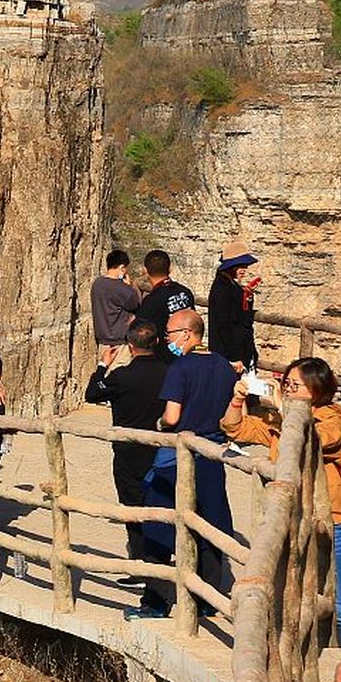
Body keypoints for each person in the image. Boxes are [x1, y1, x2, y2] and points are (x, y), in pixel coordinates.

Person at [221, 356, 341, 644]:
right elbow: (235, 429)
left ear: (317, 389)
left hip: (330, 518)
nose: (289, 389)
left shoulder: (332, 417)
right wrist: (236, 400)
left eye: (295, 385)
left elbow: (320, 439)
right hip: (291, 518)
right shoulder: (277, 420)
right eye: (286, 383)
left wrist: (283, 406)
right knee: (290, 592)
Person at [139, 310, 239, 613]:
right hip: (213, 452)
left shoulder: (180, 368)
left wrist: (158, 423)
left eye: (169, 333)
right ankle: (207, 598)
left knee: (158, 523)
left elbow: (172, 417)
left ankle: (156, 601)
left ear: (186, 333)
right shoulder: (223, 366)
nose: (167, 339)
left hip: (178, 455)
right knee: (210, 520)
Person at [86, 320, 172, 612]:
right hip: (162, 451)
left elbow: (92, 393)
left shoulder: (122, 376)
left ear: (131, 346)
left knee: (133, 510)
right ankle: (155, 563)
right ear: (158, 342)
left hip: (128, 453)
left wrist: (102, 365)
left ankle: (141, 565)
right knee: (161, 509)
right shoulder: (169, 373)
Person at [207, 241, 260, 371]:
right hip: (229, 355)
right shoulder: (222, 287)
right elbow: (223, 325)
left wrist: (247, 297)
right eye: (240, 266)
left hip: (238, 350)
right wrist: (235, 357)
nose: (244, 270)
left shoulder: (231, 285)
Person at [133, 249, 195, 342]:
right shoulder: (185, 292)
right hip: (188, 347)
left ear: (145, 270)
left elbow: (140, 333)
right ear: (170, 269)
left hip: (164, 353)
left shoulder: (151, 301)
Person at [92, 250, 142, 349]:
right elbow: (135, 304)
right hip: (120, 340)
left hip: (103, 340)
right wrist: (129, 286)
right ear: (122, 267)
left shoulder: (97, 283)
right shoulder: (121, 288)